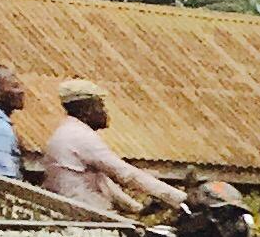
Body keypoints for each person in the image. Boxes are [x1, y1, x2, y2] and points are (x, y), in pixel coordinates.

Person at [40, 83, 181, 222]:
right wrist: (178, 198)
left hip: (78, 210)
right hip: (85, 214)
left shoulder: (69, 132)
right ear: (86, 110)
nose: (105, 111)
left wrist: (136, 207)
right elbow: (126, 174)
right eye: (100, 106)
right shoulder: (79, 135)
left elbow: (101, 180)